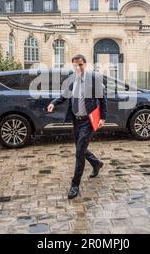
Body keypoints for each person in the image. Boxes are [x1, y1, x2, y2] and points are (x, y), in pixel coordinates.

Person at [47, 54, 107, 199]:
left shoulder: (94, 80)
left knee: (79, 152)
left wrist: (103, 118)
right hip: (76, 121)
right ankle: (96, 163)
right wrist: (53, 103)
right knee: (81, 148)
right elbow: (64, 96)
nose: (78, 67)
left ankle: (75, 185)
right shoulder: (72, 80)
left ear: (85, 64)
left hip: (88, 121)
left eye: (80, 64)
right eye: (75, 65)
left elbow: (103, 99)